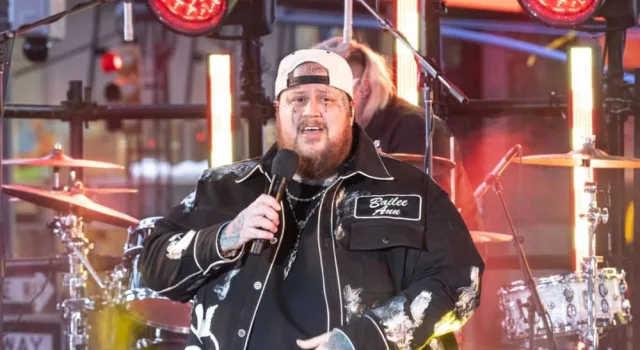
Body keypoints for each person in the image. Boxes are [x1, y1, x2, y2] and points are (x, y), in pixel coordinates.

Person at [139, 49, 484, 350]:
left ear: (350, 110)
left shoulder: (409, 190)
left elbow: (460, 282)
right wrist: (227, 235)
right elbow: (152, 266)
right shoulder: (225, 186)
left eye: (326, 99)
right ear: (279, 110)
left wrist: (364, 340)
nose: (311, 111)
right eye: (298, 99)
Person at [311, 38, 484, 231]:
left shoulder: (414, 127)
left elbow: (408, 212)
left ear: (364, 87)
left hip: (435, 251)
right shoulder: (344, 135)